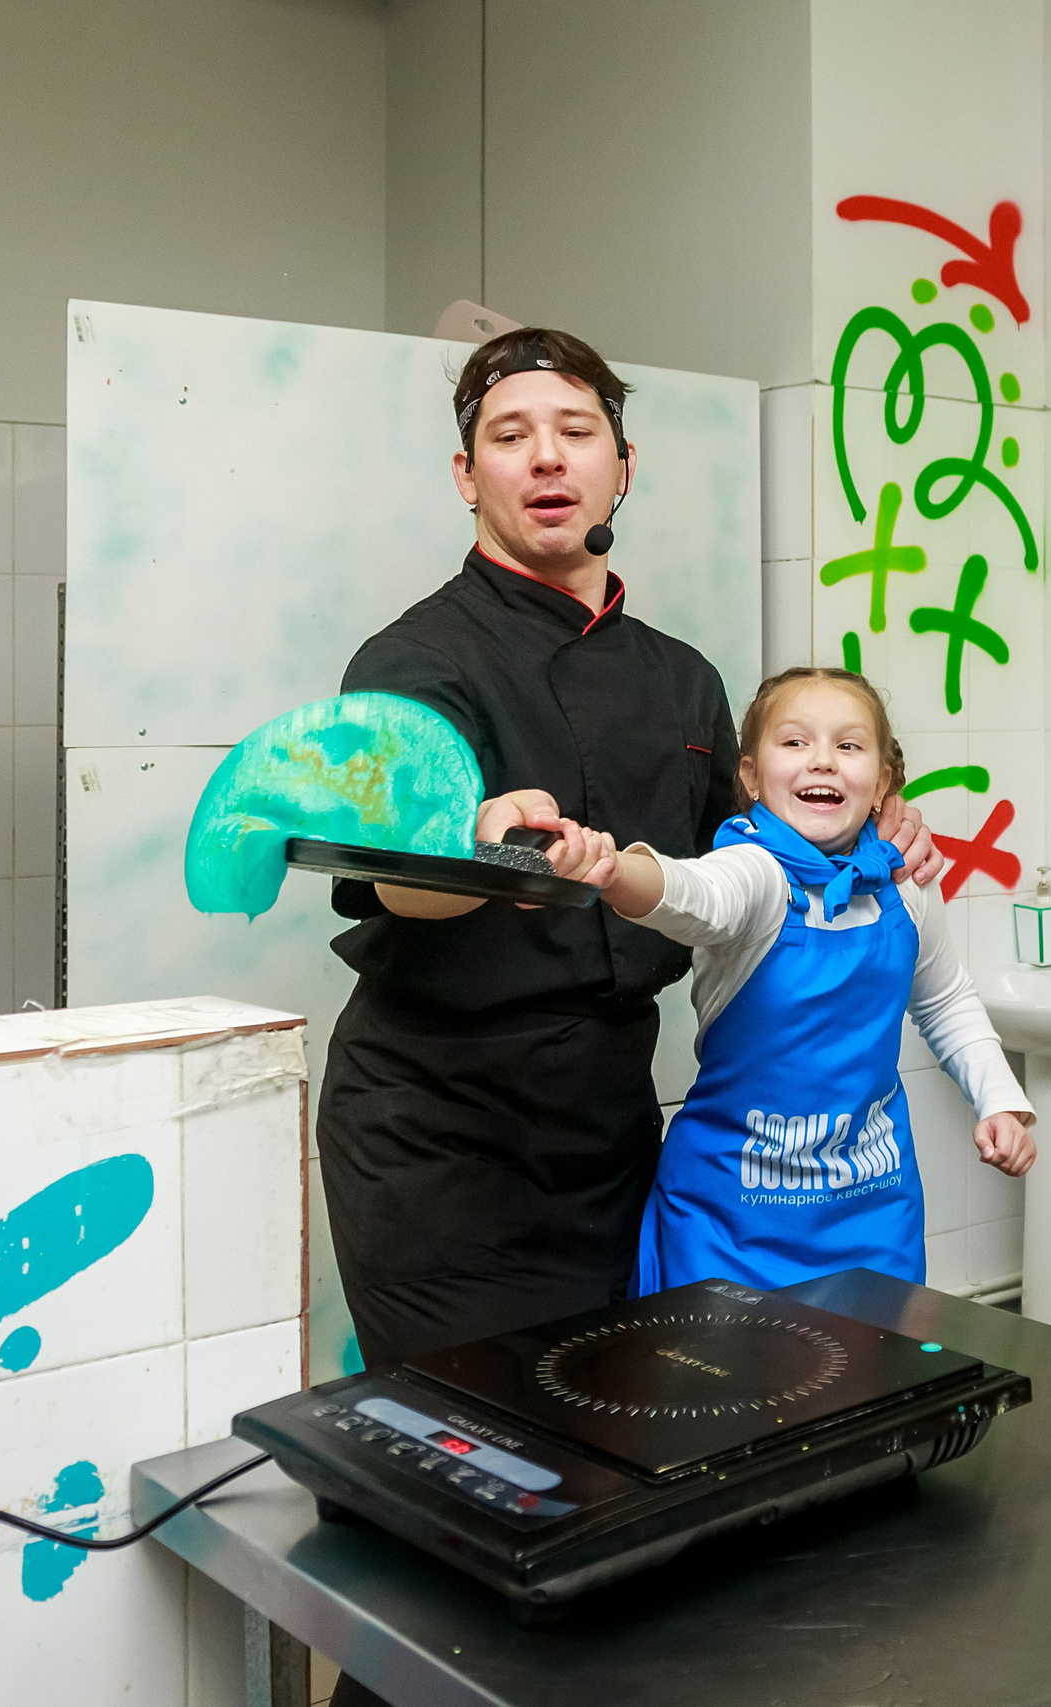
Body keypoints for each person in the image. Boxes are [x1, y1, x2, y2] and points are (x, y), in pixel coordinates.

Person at [319, 328, 944, 1381]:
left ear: (623, 464)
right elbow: (387, 881)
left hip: (613, 1128)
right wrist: (475, 845)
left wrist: (872, 829)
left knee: (618, 1437)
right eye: (510, 437)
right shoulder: (411, 662)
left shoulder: (683, 680)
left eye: (576, 431)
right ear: (469, 477)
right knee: (488, 1441)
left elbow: (743, 876)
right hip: (442, 1140)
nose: (548, 457)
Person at [549, 666, 1034, 1291]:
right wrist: (615, 871)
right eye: (796, 742)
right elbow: (690, 892)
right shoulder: (753, 873)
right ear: (750, 776)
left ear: (882, 781)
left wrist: (1000, 1100)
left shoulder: (906, 887)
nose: (823, 762)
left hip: (873, 1217)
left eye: (849, 746)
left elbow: (945, 1000)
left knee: (872, 1385)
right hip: (730, 1226)